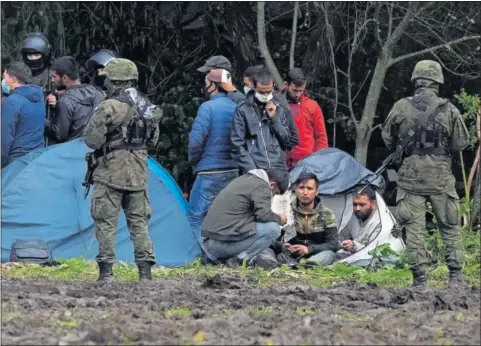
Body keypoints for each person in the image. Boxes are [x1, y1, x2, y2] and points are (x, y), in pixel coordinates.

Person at [381, 60, 470, 288]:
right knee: (449, 226)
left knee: (414, 230)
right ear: (437, 81)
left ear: (416, 80)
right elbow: (461, 143)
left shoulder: (401, 106)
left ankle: (420, 280)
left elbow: (388, 138)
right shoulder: (449, 108)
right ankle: (456, 277)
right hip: (440, 178)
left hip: (410, 178)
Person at [83, 58, 162, 282]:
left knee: (106, 223)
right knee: (139, 223)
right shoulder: (148, 106)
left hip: (110, 171)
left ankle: (106, 273)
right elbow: (153, 140)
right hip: (138, 172)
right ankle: (145, 273)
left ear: (113, 80)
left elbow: (91, 140)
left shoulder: (109, 106)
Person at [201, 168, 289, 267]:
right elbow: (264, 216)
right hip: (218, 246)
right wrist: (279, 219)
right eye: (275, 193)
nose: (273, 196)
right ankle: (238, 261)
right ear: (272, 185)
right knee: (273, 229)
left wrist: (278, 245)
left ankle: (231, 259)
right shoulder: (262, 186)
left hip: (209, 242)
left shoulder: (246, 179)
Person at [187, 69, 239, 236]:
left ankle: (197, 254)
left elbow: (196, 142)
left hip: (209, 171)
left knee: (196, 216)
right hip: (233, 171)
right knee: (226, 217)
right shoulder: (236, 107)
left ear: (212, 86)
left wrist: (194, 161)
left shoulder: (207, 108)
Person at [231, 66, 293, 173]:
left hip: (278, 168)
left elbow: (287, 141)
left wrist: (274, 118)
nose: (265, 95)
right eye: (261, 92)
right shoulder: (243, 110)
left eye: (268, 92)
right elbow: (237, 144)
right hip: (254, 168)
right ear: (254, 88)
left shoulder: (279, 107)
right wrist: (252, 169)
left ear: (273, 87)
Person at [269, 173, 339, 267]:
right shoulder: (287, 211)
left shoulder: (327, 213)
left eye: (309, 188)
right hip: (289, 256)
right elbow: (271, 241)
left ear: (316, 191)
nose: (305, 192)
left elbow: (333, 244)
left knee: (329, 254)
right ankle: (295, 266)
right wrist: (282, 246)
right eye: (301, 188)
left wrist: (308, 249)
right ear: (296, 190)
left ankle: (306, 265)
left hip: (316, 256)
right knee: (267, 252)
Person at [45, 56, 104, 144]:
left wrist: (44, 122)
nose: (52, 80)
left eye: (54, 76)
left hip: (73, 150)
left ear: (64, 78)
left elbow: (59, 135)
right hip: (94, 149)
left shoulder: (66, 101)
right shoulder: (98, 94)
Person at [243, 65, 299, 152]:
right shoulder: (246, 105)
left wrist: (276, 153)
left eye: (247, 84)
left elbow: (293, 138)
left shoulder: (280, 104)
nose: (247, 88)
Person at [1, 62, 45, 168]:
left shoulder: (12, 101)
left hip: (16, 161)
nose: (2, 81)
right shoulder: (39, 97)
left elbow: (5, 138)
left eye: (4, 77)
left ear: (13, 79)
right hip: (36, 158)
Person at [284, 68, 328, 169]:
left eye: (301, 90)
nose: (298, 94)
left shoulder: (312, 106)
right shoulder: (277, 102)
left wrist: (317, 160)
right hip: (282, 163)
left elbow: (321, 137)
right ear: (286, 85)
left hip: (308, 162)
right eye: (295, 90)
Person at [337, 186, 382, 260]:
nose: (357, 208)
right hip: (351, 255)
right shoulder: (353, 217)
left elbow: (374, 250)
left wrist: (354, 246)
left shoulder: (379, 222)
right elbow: (341, 236)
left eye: (362, 205)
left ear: (373, 204)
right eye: (355, 204)